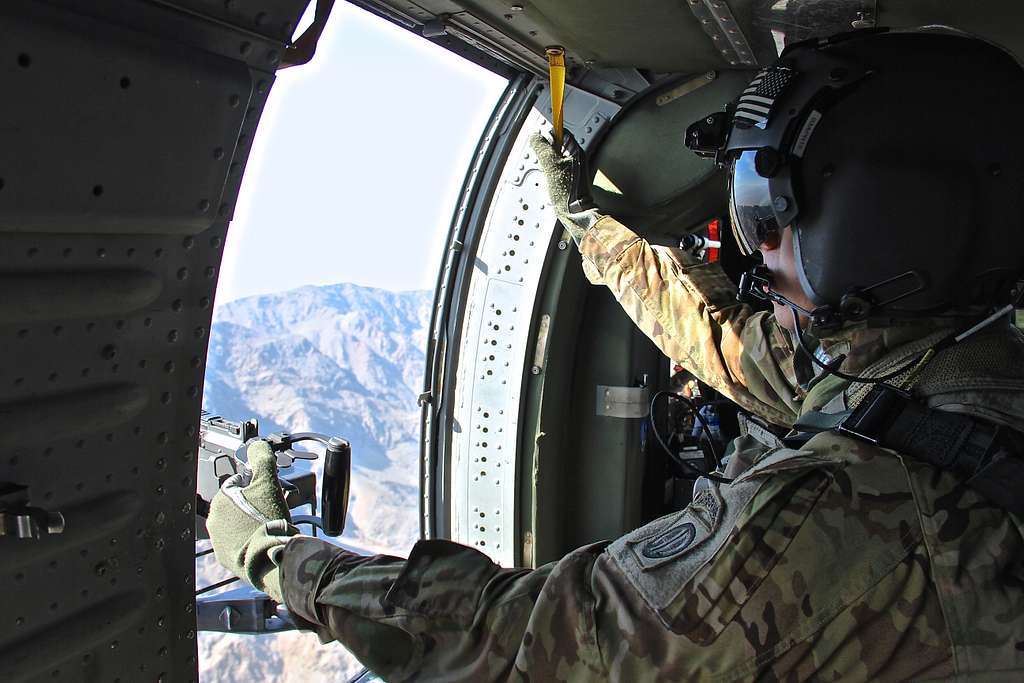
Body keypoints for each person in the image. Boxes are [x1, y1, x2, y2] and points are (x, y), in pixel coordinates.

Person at [207, 28, 1024, 681]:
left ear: (887, 224)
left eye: (770, 206)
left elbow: (515, 648)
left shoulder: (850, 513)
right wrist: (588, 226)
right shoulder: (939, 379)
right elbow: (718, 339)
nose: (757, 242)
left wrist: (278, 556)